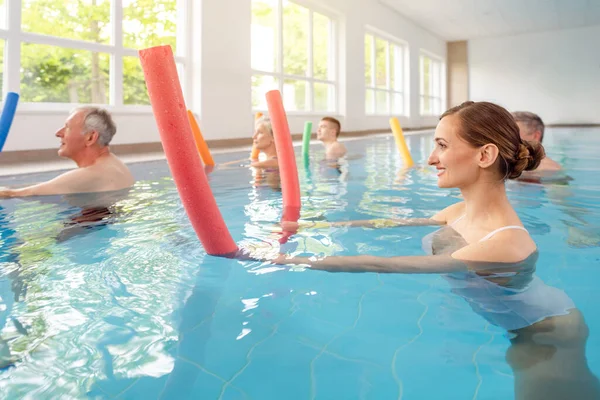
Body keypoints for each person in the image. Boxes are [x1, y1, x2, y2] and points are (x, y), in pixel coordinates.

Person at [259, 101, 600, 399]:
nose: (431, 158)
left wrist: (288, 260)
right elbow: (385, 225)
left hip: (548, 334)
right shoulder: (458, 211)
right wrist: (305, 227)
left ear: (485, 155)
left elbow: (387, 265)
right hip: (520, 323)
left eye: (441, 145)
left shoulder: (505, 241)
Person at [0, 107, 134, 198]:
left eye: (67, 127)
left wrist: (7, 192)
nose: (58, 133)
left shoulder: (90, 175)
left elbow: (13, 194)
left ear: (90, 137)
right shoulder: (113, 165)